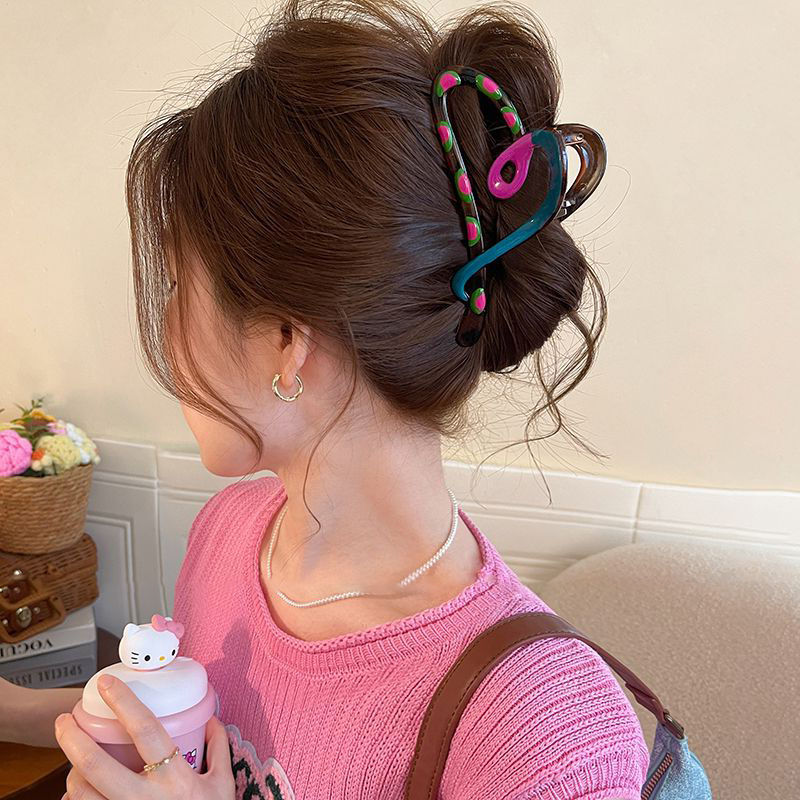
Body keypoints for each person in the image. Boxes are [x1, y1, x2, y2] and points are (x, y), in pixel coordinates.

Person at [0, 0, 650, 797]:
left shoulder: (547, 735)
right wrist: (20, 713)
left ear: (286, 339)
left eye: (177, 285)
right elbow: (189, 736)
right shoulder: (230, 533)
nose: (164, 328)